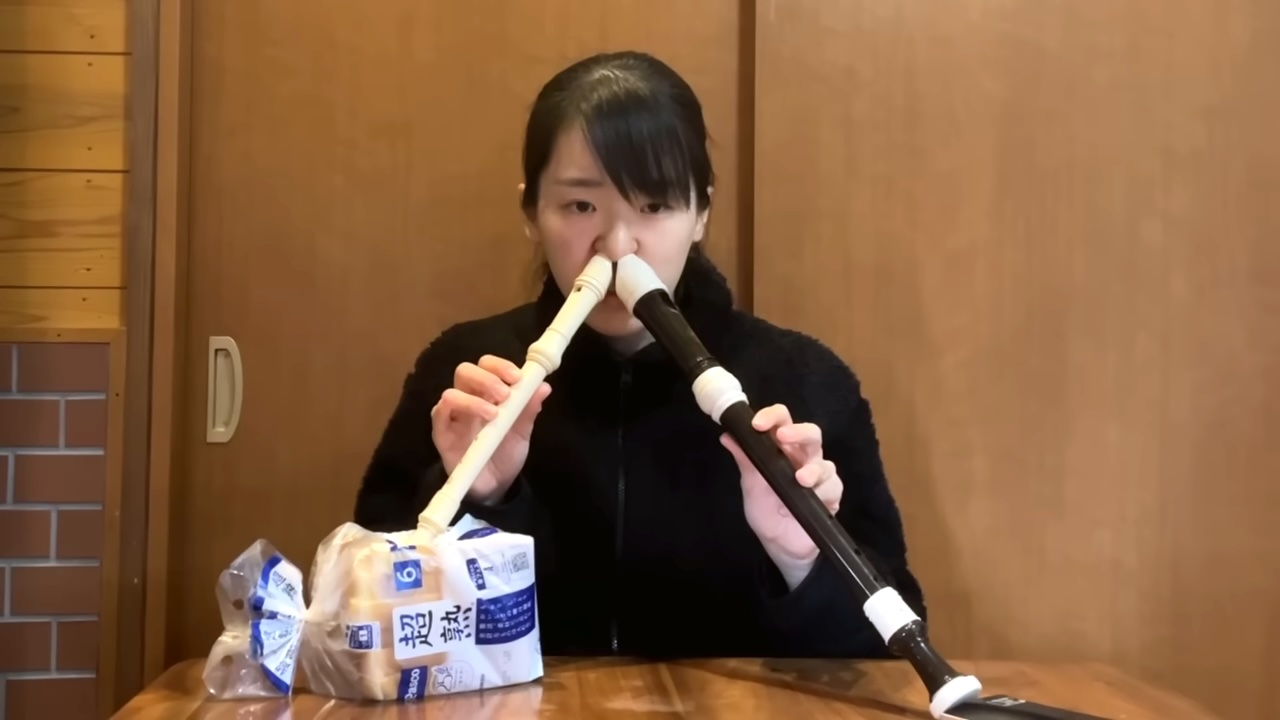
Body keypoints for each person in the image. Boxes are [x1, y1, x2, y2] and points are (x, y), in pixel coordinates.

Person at [354, 50, 925, 660]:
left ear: (701, 212)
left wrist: (799, 559)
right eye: (581, 206)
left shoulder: (803, 381)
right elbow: (365, 619)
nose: (618, 245)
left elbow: (894, 654)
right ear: (531, 213)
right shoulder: (466, 374)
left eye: (654, 206)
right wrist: (481, 501)